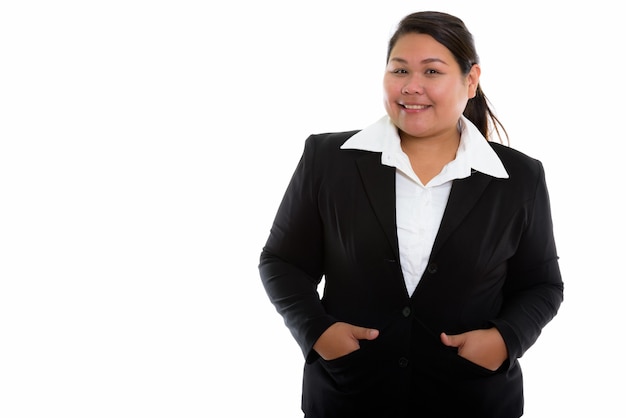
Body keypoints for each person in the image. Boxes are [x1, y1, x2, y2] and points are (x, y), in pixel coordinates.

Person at [259, 10, 563, 418]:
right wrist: (318, 332)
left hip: (472, 399)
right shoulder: (328, 159)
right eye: (399, 70)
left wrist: (506, 340)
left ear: (470, 81)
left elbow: (542, 285)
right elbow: (282, 262)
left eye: (432, 72)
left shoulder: (519, 176)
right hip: (349, 396)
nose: (412, 87)